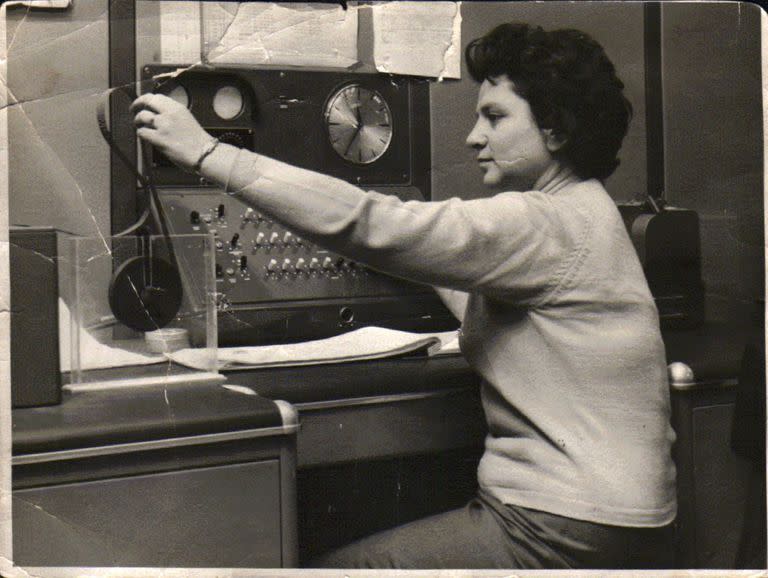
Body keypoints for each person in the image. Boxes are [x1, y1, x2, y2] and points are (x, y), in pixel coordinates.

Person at [131, 22, 677, 569]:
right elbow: (480, 291)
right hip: (608, 519)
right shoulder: (587, 211)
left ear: (555, 130)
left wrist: (207, 152)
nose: (473, 137)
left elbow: (372, 222)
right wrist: (414, 258)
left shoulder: (543, 222)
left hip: (558, 525)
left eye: (495, 116)